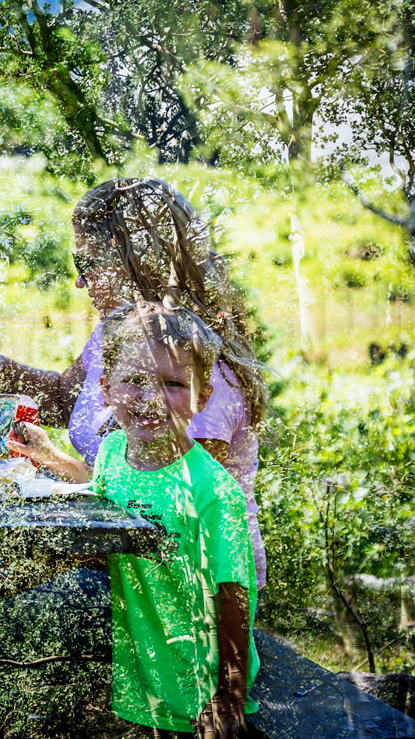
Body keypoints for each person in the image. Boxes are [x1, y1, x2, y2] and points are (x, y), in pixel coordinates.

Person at [0, 178, 269, 588]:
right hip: (117, 557)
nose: (79, 282)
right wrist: (6, 371)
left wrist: (43, 555)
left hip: (178, 587)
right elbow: (67, 399)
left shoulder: (194, 371)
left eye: (88, 265)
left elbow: (168, 519)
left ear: (138, 261)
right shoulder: (122, 334)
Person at [87, 300, 258, 739]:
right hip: (137, 672)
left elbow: (234, 597)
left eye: (173, 384)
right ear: (106, 389)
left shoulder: (212, 492)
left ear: (203, 395)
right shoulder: (112, 455)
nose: (151, 399)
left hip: (194, 685)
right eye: (133, 382)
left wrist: (229, 695)